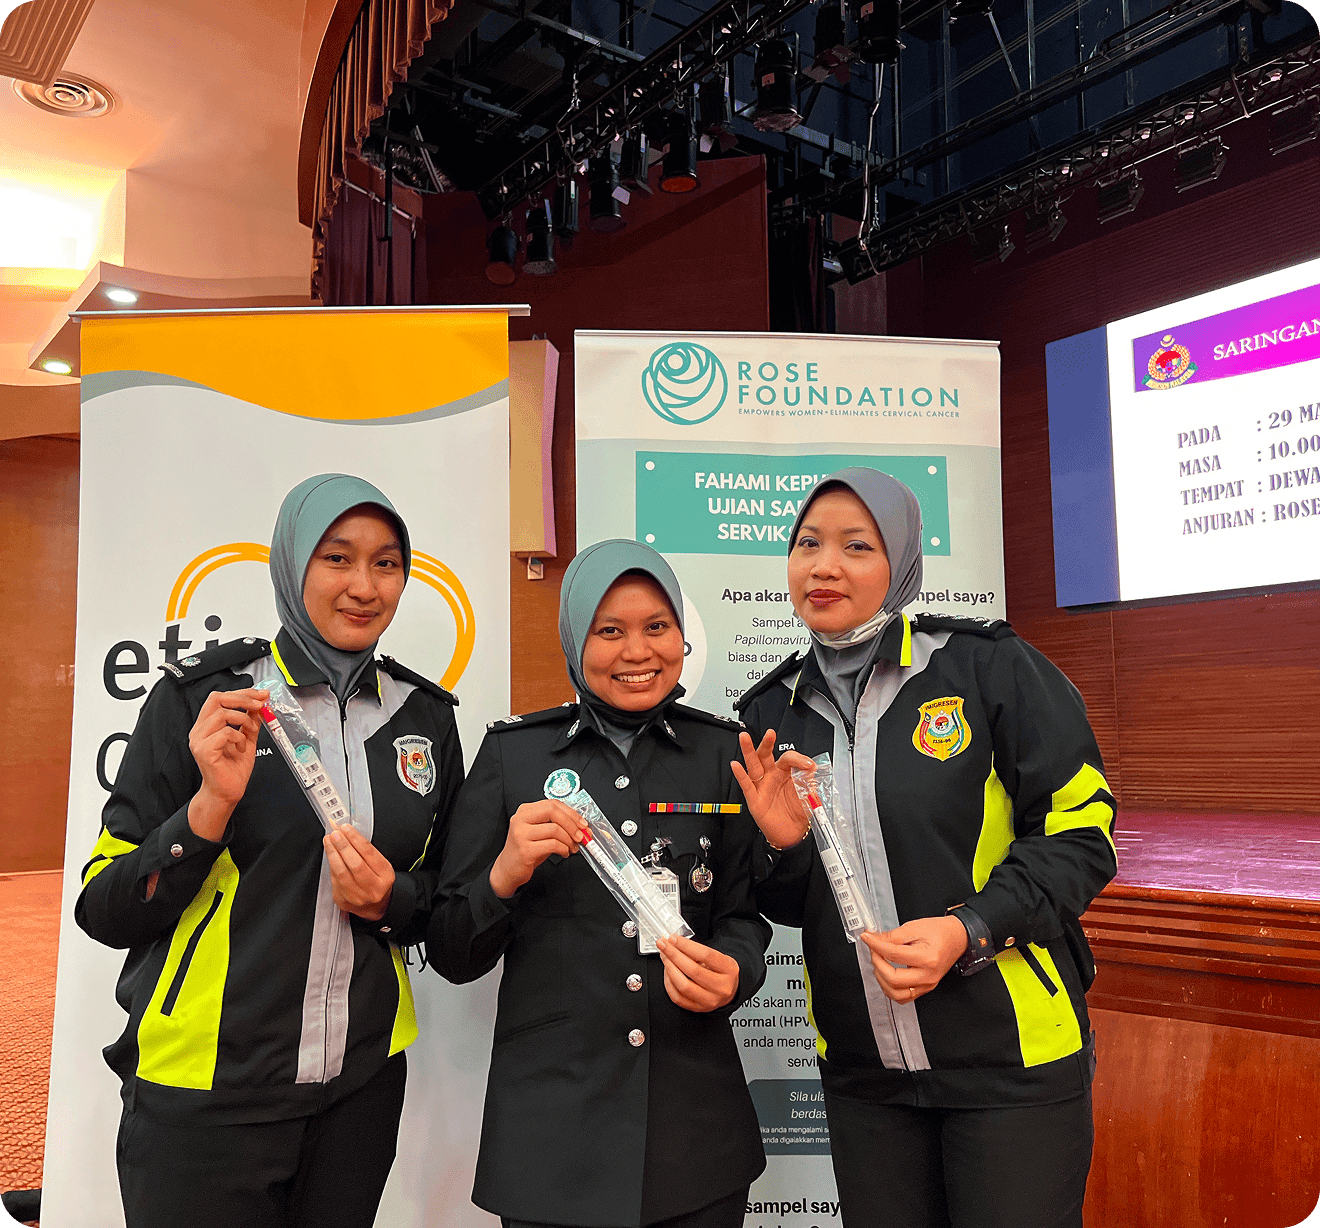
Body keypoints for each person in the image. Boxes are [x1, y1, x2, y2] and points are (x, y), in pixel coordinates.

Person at [731, 467, 1117, 1228]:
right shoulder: (773, 710)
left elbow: (1081, 835)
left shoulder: (985, 667)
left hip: (1011, 1064)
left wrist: (968, 930)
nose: (824, 566)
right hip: (866, 1076)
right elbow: (791, 903)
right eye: (807, 544)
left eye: (857, 545)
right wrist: (783, 848)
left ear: (901, 561)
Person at [76, 473, 464, 1228]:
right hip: (206, 1094)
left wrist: (391, 899)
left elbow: (447, 899)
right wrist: (206, 811)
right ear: (290, 563)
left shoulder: (423, 716)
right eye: (336, 558)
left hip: (360, 1090)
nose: (364, 586)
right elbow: (103, 905)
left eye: (386, 563)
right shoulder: (206, 700)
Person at [430, 539, 770, 1228]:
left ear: (681, 635)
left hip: (694, 1136)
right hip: (552, 1135)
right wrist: (503, 874)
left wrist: (736, 970)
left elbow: (742, 917)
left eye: (657, 627)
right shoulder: (513, 755)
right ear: (573, 639)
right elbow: (451, 951)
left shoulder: (722, 753)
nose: (636, 652)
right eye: (609, 631)